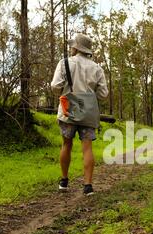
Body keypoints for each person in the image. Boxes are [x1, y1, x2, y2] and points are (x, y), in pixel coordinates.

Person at [51, 34, 108, 196]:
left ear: (76, 48)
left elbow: (56, 86)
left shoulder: (65, 63)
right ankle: (88, 186)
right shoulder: (97, 68)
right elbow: (103, 94)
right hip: (89, 112)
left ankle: (64, 181)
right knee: (87, 147)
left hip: (68, 109)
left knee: (66, 144)